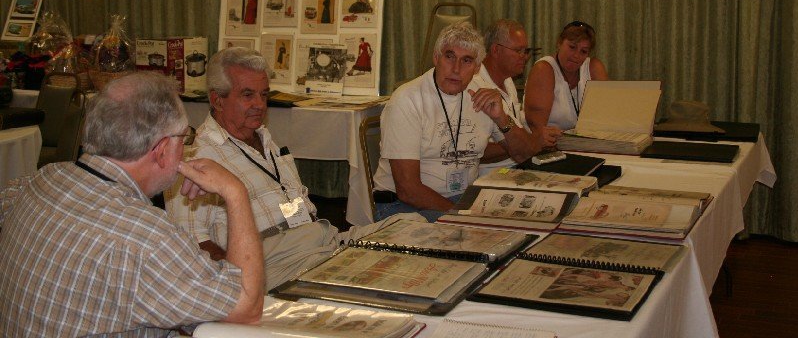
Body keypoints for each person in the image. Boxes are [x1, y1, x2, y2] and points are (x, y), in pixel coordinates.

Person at [0, 72, 264, 336]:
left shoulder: (38, 180)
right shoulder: (146, 239)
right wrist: (235, 192)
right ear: (162, 150)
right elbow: (246, 307)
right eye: (184, 139)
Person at [166, 47, 417, 290]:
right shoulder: (195, 159)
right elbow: (193, 246)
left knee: (410, 224)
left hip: (319, 237)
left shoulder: (264, 138)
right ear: (217, 100)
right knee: (377, 274)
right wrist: (243, 284)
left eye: (264, 94)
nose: (260, 105)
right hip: (275, 260)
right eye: (247, 95)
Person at [371, 22, 539, 222]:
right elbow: (409, 190)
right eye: (449, 57)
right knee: (480, 232)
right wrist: (464, 216)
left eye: (467, 60)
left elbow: (524, 154)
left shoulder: (483, 94)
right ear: (436, 58)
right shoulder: (407, 99)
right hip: (402, 205)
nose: (456, 69)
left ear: (477, 68)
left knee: (529, 218)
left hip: (462, 198)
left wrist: (501, 118)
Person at [470, 20, 563, 174]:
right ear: (496, 50)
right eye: (518, 50)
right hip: (494, 174)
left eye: (526, 51)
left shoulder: (507, 80)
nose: (524, 57)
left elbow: (517, 130)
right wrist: (531, 142)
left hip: (520, 165)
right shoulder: (474, 86)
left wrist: (535, 139)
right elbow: (474, 152)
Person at [524, 21, 608, 133]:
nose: (576, 55)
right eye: (572, 47)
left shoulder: (594, 68)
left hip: (582, 140)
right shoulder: (544, 69)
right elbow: (537, 128)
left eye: (583, 51)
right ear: (559, 43)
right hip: (548, 141)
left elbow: (604, 117)